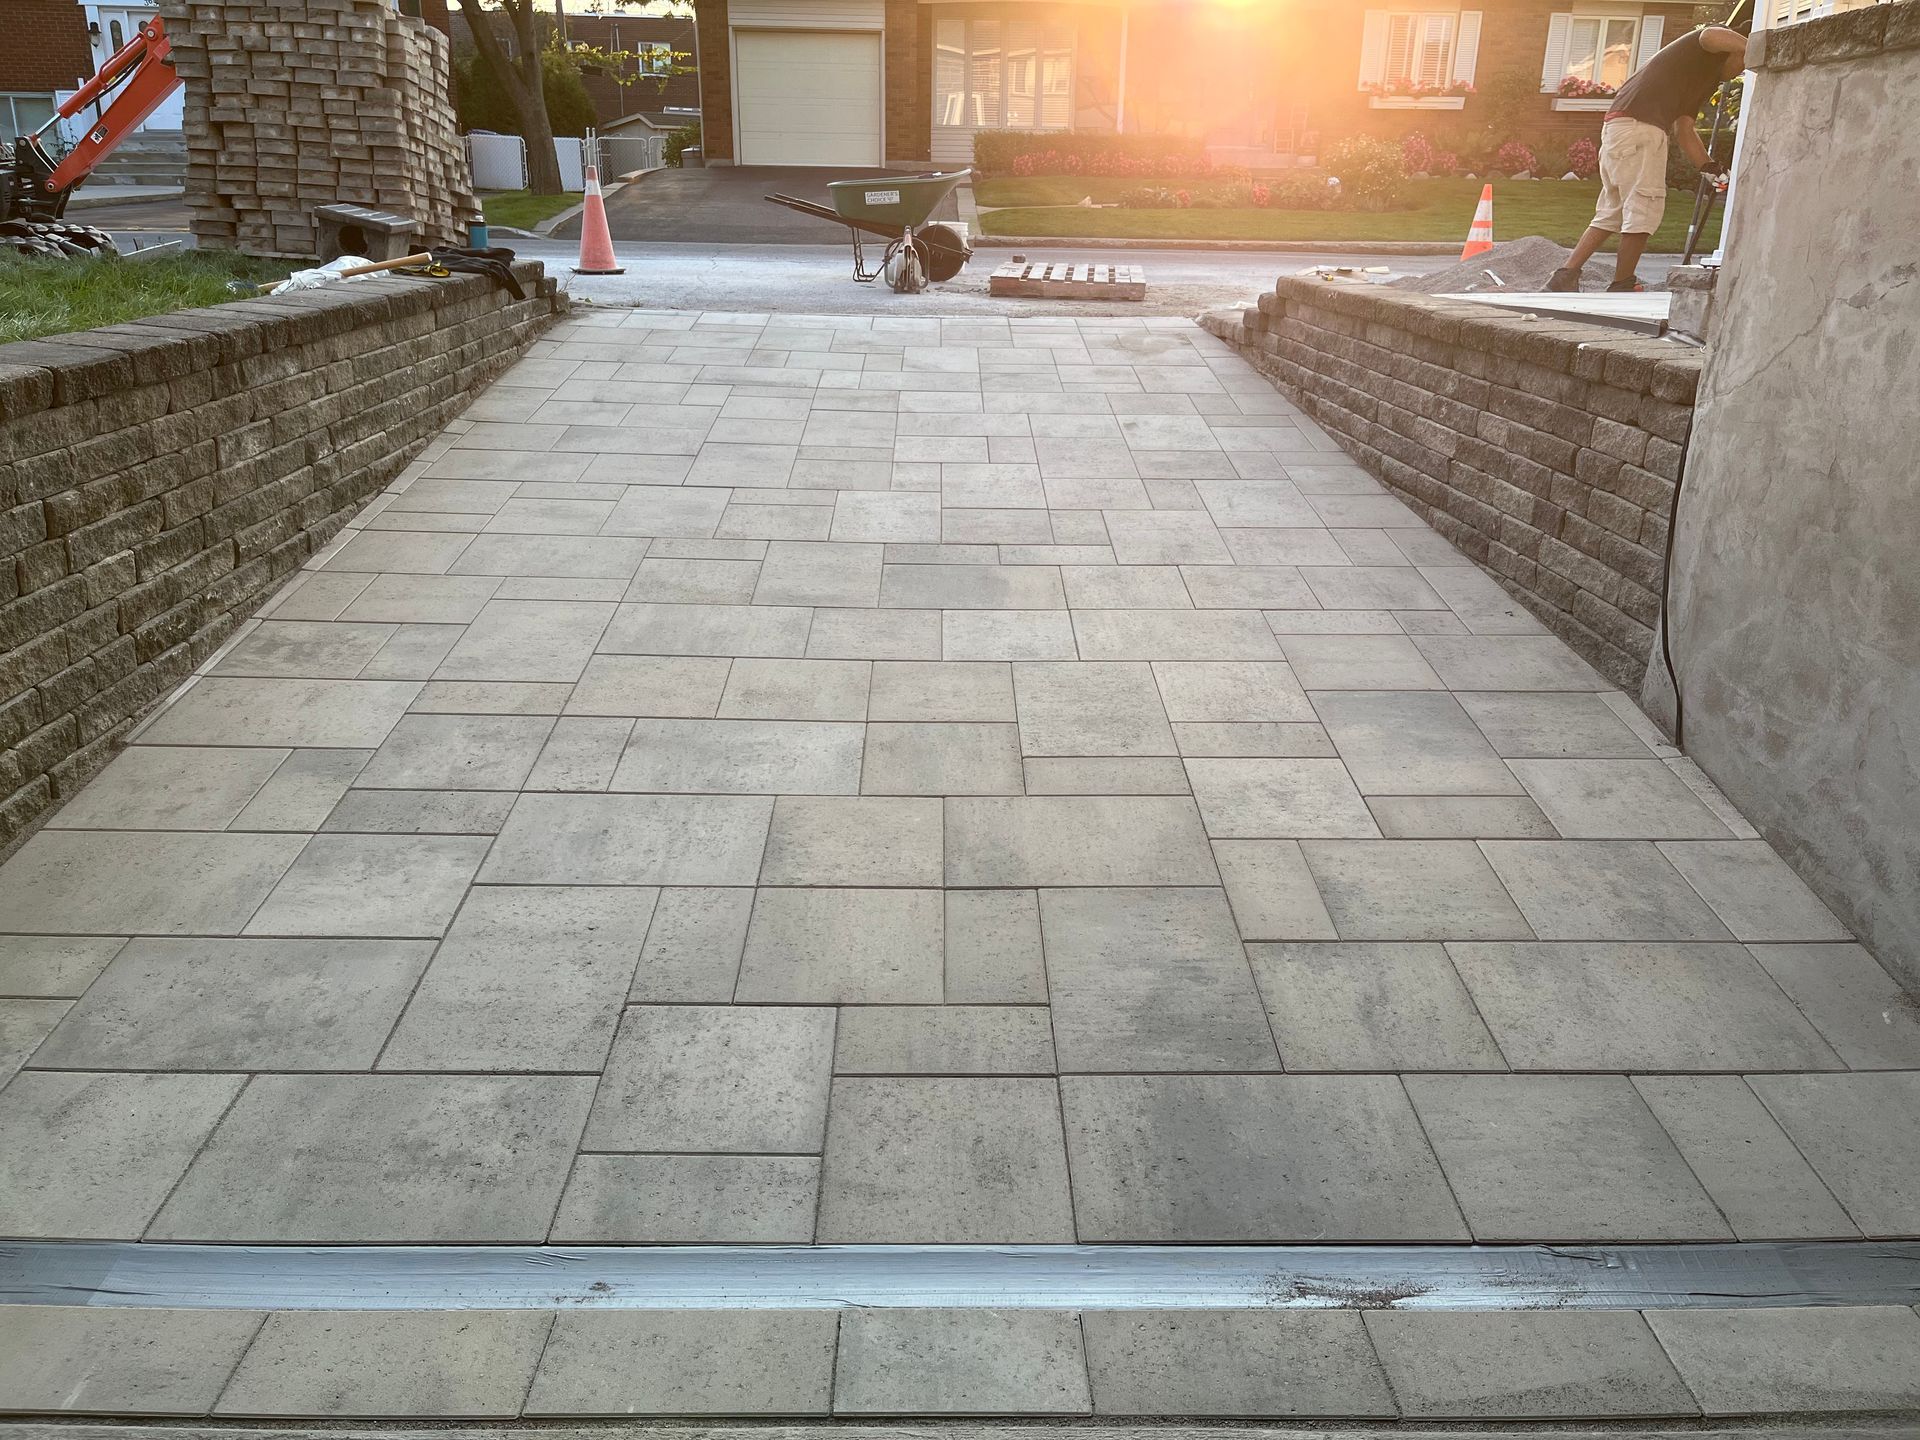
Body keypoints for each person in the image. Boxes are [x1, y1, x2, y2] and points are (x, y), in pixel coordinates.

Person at [1547, 24, 1748, 293]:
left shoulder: (1700, 76)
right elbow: (1708, 33)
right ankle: (1622, 284)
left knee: (1612, 211)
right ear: (1733, 49)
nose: (1741, 71)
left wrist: (1708, 167)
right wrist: (1754, 45)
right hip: (1642, 129)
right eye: (1743, 63)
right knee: (1644, 206)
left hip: (1619, 129)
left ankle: (1564, 276)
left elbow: (1684, 130)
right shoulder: (1705, 46)